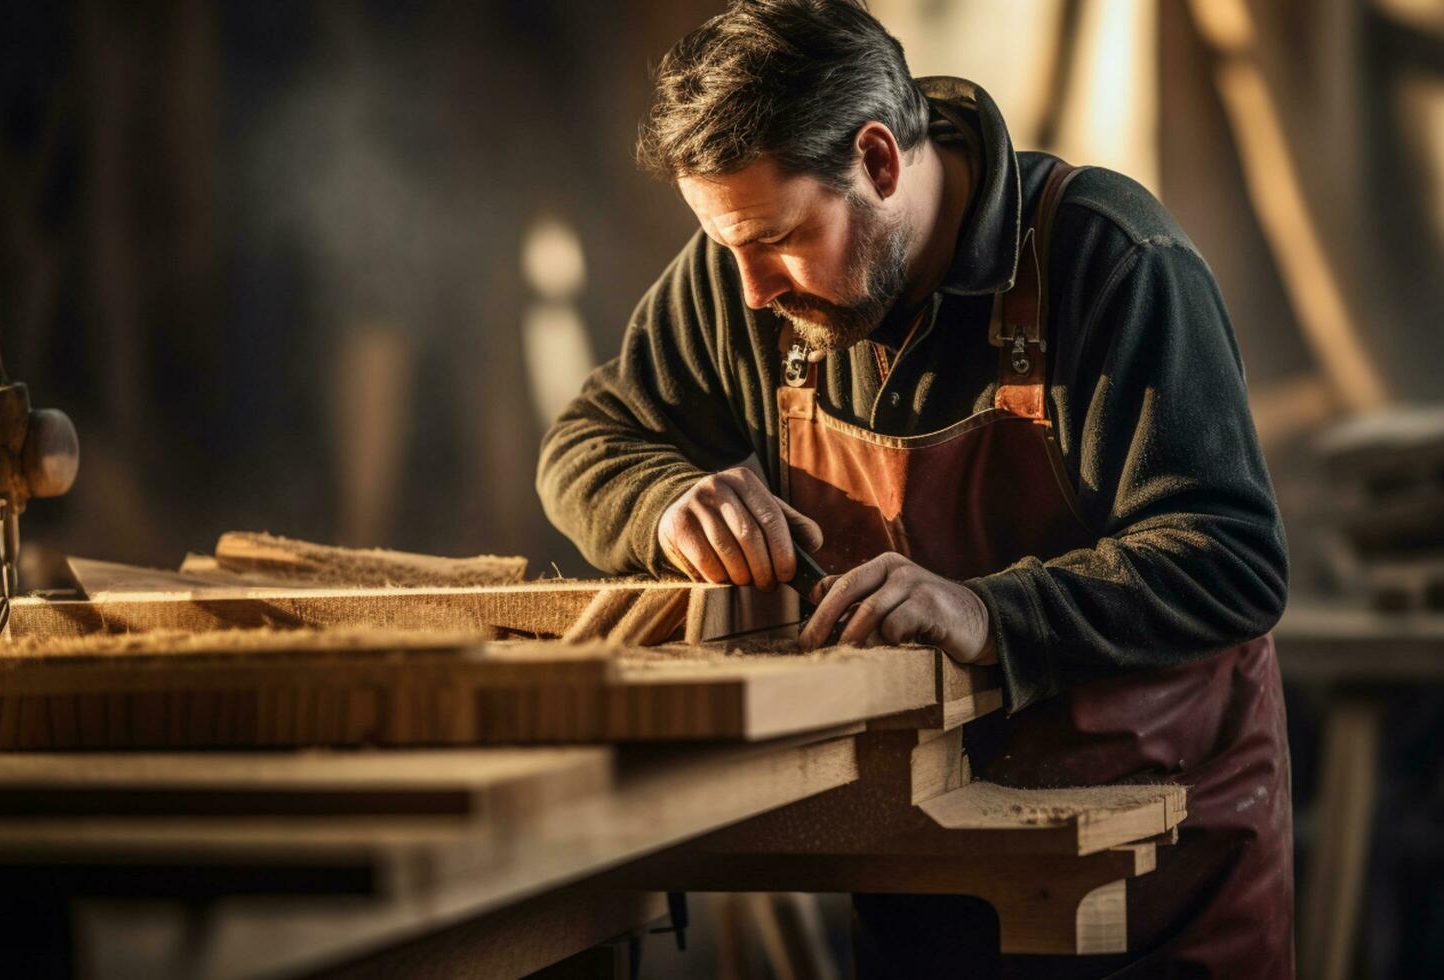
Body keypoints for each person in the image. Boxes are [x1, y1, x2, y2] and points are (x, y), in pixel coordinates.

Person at [537, 1, 1293, 975]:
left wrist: (993, 613)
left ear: (881, 162)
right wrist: (663, 500)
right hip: (917, 871)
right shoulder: (743, 275)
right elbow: (588, 440)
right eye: (730, 248)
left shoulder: (1110, 260)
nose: (755, 291)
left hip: (1153, 878)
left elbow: (1232, 556)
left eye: (777, 237)